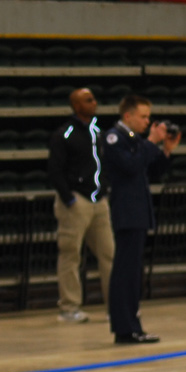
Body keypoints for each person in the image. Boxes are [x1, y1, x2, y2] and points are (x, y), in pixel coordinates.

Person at [102, 94, 178, 345]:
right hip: (126, 211)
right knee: (125, 271)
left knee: (134, 272)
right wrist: (151, 141)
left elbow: (150, 171)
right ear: (128, 116)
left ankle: (133, 325)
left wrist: (165, 151)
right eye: (143, 116)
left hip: (138, 211)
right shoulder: (114, 137)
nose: (148, 122)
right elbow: (131, 167)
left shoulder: (133, 139)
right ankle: (124, 328)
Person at [47, 87, 113, 324]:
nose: (93, 103)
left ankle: (115, 307)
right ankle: (69, 307)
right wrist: (69, 198)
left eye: (94, 98)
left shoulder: (98, 132)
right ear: (76, 106)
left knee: (109, 254)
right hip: (76, 202)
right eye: (87, 100)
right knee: (71, 254)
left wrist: (105, 189)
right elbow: (54, 170)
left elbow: (104, 164)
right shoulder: (64, 134)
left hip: (99, 201)